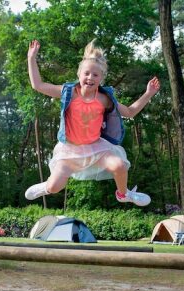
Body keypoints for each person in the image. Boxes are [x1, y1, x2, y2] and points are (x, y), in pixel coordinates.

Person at [24, 39, 160, 206]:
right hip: (69, 151)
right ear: (79, 75)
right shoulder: (69, 93)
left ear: (101, 78)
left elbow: (130, 112)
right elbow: (38, 85)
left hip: (96, 148)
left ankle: (124, 194)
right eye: (86, 73)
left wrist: (148, 94)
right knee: (55, 187)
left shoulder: (104, 99)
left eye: (95, 75)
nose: (90, 78)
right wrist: (31, 58)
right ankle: (47, 186)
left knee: (119, 166)